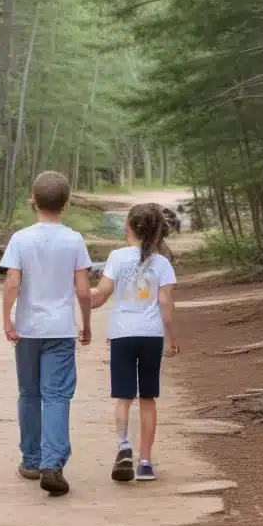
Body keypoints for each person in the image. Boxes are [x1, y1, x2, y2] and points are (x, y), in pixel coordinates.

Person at [0, 170, 93, 497]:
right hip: (60, 330)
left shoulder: (21, 239)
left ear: (33, 201)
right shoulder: (74, 240)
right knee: (56, 395)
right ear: (66, 204)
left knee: (29, 393)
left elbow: (13, 283)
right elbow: (83, 290)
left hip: (27, 329)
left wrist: (7, 321)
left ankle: (31, 461)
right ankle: (53, 463)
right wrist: (87, 323)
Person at [91, 202, 177, 482]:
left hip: (122, 334)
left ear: (128, 227)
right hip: (151, 335)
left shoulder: (116, 257)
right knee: (148, 398)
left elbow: (101, 294)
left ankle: (124, 446)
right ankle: (146, 462)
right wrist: (172, 336)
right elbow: (165, 301)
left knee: (124, 396)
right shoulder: (162, 263)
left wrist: (80, 297)